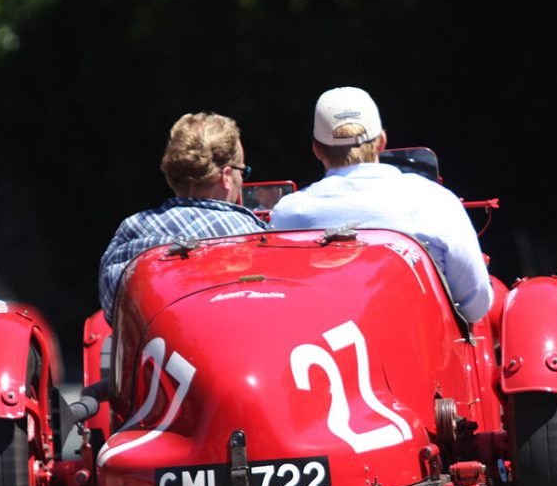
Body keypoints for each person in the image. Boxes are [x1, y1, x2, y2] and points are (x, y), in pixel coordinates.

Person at [269, 86, 493, 323]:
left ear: (316, 149)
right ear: (382, 142)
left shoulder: (288, 214)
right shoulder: (434, 200)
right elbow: (476, 306)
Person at [98, 112, 266, 322]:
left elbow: (111, 311)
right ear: (226, 177)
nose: (242, 180)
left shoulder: (131, 230)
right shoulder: (251, 234)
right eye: (243, 171)